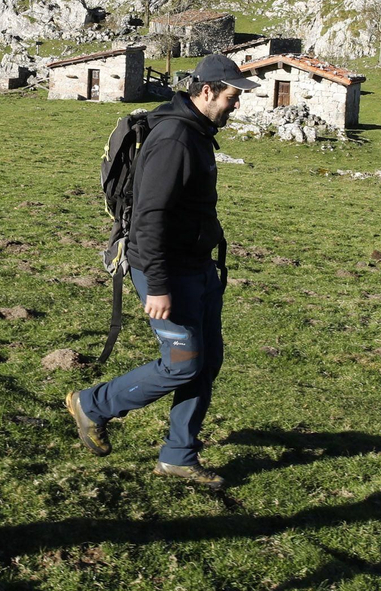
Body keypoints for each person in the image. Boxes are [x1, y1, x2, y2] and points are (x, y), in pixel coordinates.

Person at [65, 54, 257, 487]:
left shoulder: (195, 131)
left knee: (205, 363)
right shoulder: (174, 138)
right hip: (165, 271)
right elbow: (149, 217)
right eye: (232, 96)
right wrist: (158, 285)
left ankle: (178, 456)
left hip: (196, 267)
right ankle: (92, 405)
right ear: (206, 91)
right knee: (183, 363)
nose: (236, 105)